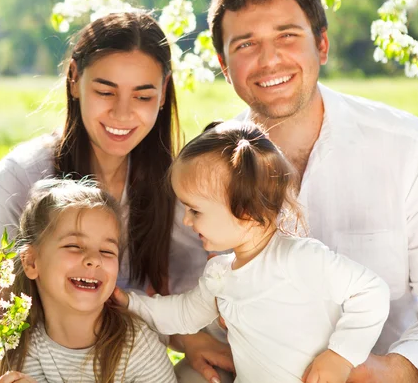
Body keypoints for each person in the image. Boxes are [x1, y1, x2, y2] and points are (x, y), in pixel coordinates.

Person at [176, 0, 418, 382]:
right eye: (246, 44)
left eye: (287, 36)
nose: (269, 59)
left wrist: (396, 368)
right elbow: (179, 291)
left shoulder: (407, 147)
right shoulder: (204, 167)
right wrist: (192, 341)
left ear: (321, 45)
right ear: (223, 64)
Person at [0, 11, 208, 383]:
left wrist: (191, 341)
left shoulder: (174, 186)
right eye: (105, 91)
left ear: (163, 94)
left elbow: (177, 302)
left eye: (143, 95)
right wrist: (13, 375)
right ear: (75, 80)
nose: (123, 112)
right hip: (12, 358)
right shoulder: (19, 177)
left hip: (113, 361)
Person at [115, 120, 390, 383]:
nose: (186, 221)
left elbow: (370, 292)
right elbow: (183, 313)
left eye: (195, 210)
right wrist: (130, 303)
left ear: (244, 210)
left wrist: (340, 357)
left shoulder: (299, 258)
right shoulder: (220, 275)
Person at [0, 178, 177, 382]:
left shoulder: (137, 346)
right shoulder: (23, 345)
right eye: (74, 246)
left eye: (106, 250)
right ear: (32, 262)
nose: (94, 260)